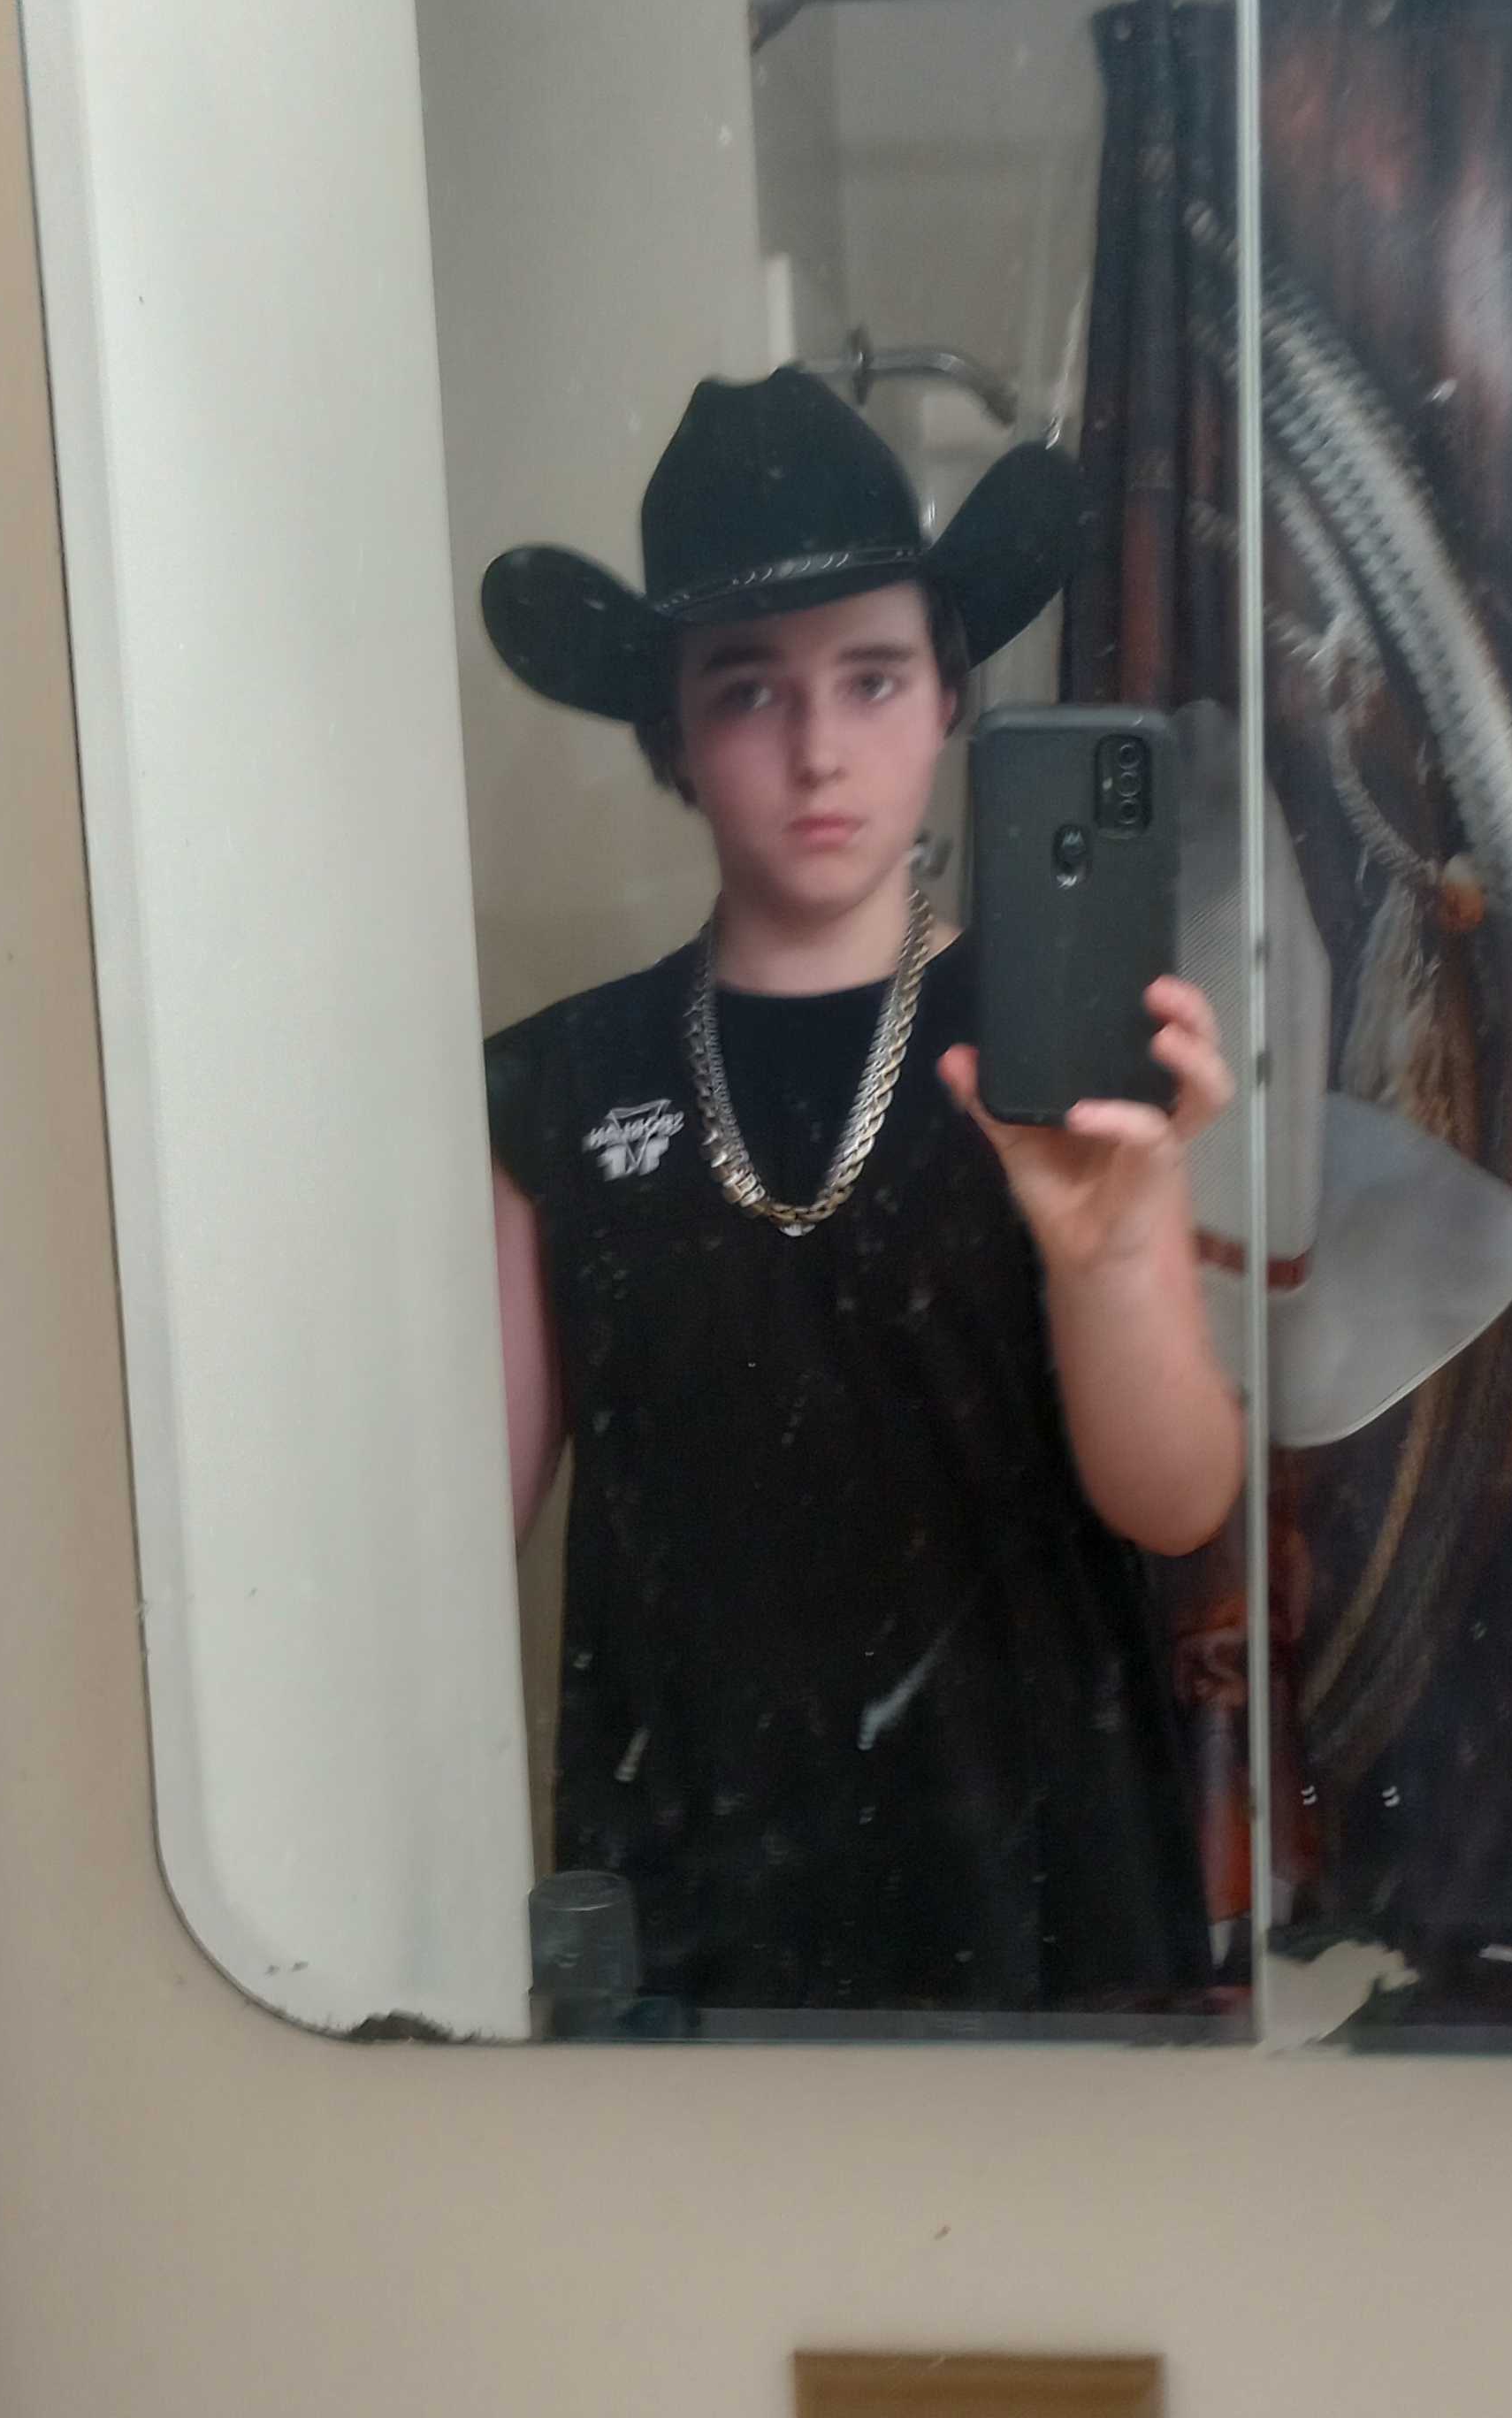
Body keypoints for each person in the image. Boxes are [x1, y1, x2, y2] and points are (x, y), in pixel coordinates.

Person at [478, 368, 1241, 2016]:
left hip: (1046, 1909)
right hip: (698, 1923)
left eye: (873, 677)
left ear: (951, 696)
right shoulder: (558, 1085)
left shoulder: (1057, 1039)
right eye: (749, 690)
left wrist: (1116, 1253)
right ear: (673, 734)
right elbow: (446, 1546)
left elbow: (1176, 1504)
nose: (820, 749)